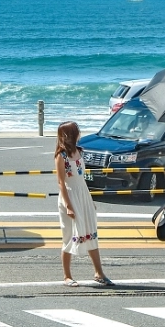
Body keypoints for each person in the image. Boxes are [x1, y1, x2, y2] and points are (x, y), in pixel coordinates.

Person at [54, 121, 114, 287]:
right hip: (69, 196)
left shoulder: (80, 152)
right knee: (69, 235)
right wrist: (68, 205)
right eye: (76, 131)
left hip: (83, 195)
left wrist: (89, 200)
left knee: (90, 232)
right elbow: (61, 182)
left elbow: (82, 179)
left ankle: (99, 273)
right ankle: (67, 276)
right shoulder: (61, 156)